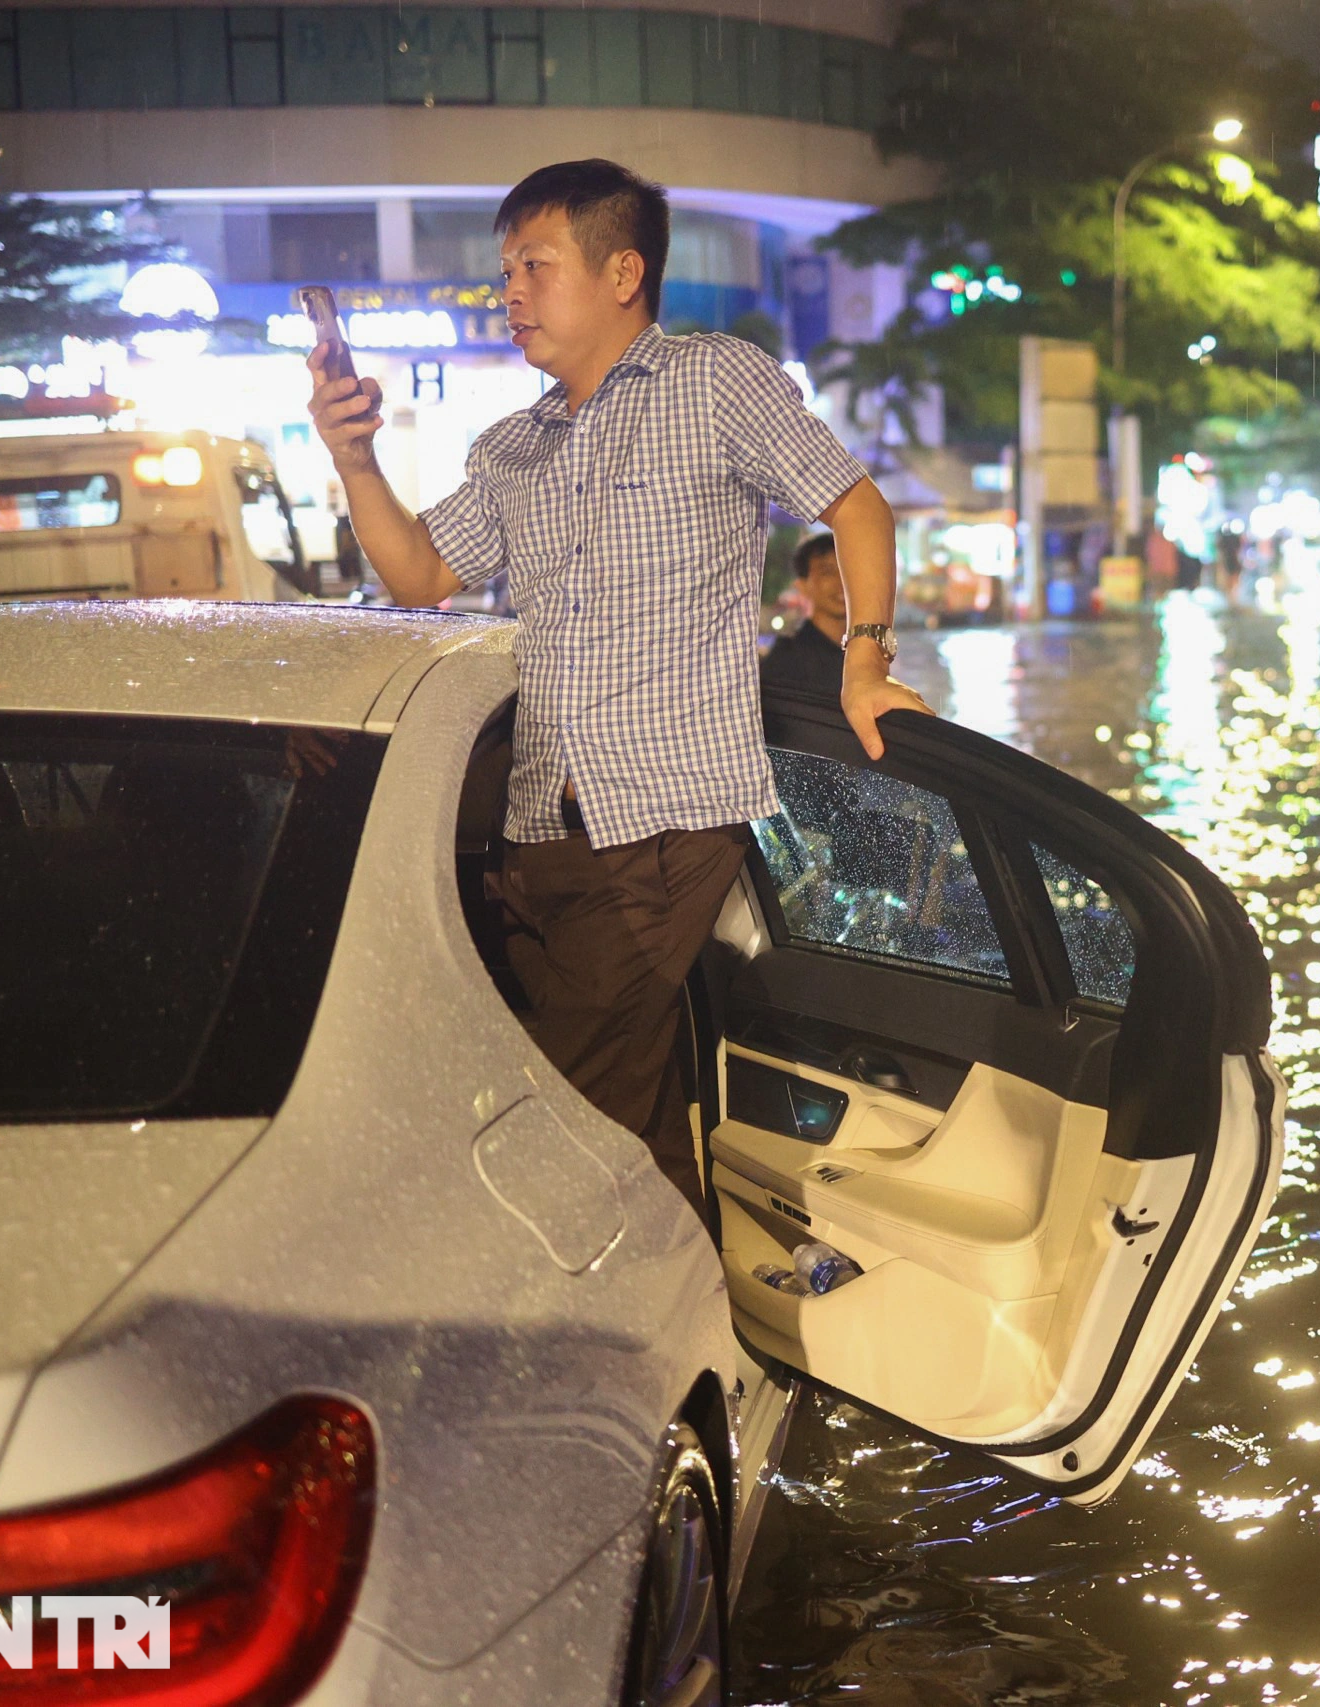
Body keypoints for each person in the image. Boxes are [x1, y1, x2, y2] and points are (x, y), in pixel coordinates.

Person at [306, 158, 929, 1205]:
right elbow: (417, 576)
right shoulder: (512, 445)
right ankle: (694, 1335)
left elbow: (855, 507)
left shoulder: (714, 382)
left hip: (663, 822)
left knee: (555, 1117)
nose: (508, 294)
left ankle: (553, 1349)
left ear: (622, 272)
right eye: (504, 270)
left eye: (534, 267)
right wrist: (354, 460)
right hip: (539, 830)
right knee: (626, 1117)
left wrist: (864, 660)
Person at [760, 531, 849, 699]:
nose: (842, 581)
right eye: (827, 572)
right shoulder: (786, 662)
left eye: (848, 569)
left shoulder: (867, 651)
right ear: (802, 586)